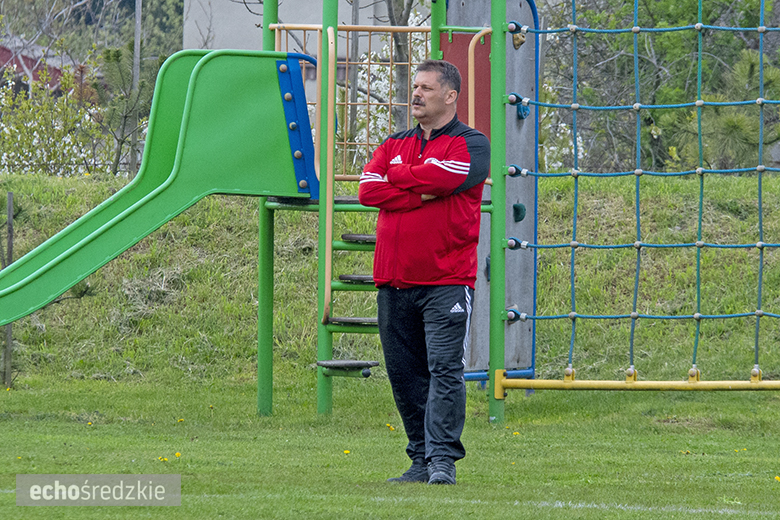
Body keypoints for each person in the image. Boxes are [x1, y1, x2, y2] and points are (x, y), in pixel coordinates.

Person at [358, 60, 490, 485]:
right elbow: (368, 189)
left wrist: (398, 178)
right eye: (414, 86)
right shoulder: (394, 142)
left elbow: (448, 176)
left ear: (450, 96)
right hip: (393, 280)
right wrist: (419, 195)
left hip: (445, 280)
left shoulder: (471, 143)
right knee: (402, 373)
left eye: (426, 88)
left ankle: (442, 462)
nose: (416, 94)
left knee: (445, 370)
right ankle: (420, 459)